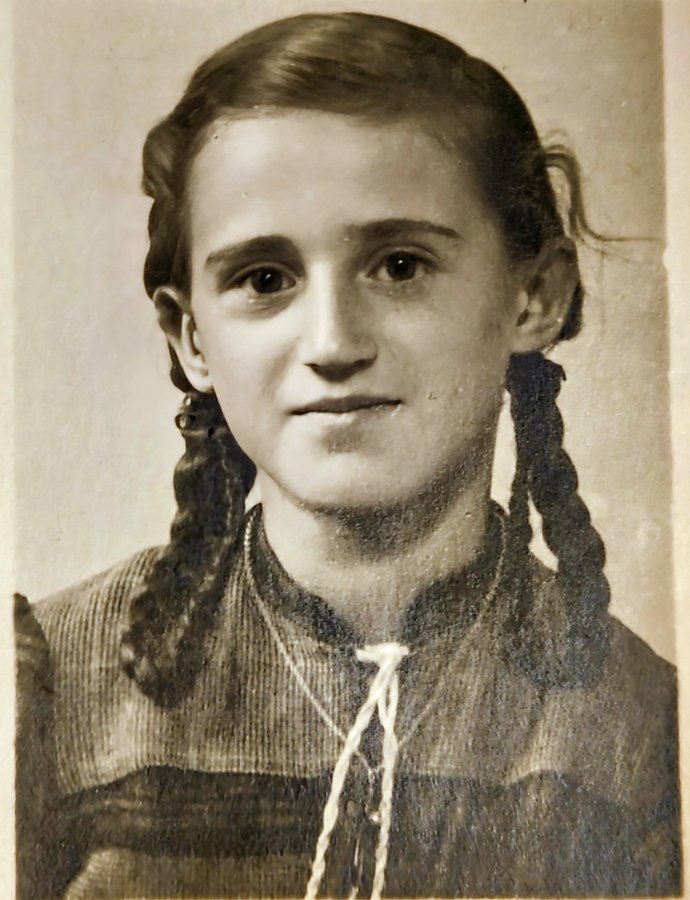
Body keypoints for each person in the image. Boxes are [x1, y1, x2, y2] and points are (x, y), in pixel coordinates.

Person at [14, 11, 681, 899]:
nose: (331, 343)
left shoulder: (648, 736)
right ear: (191, 337)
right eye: (264, 280)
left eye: (400, 266)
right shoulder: (45, 690)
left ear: (534, 296)